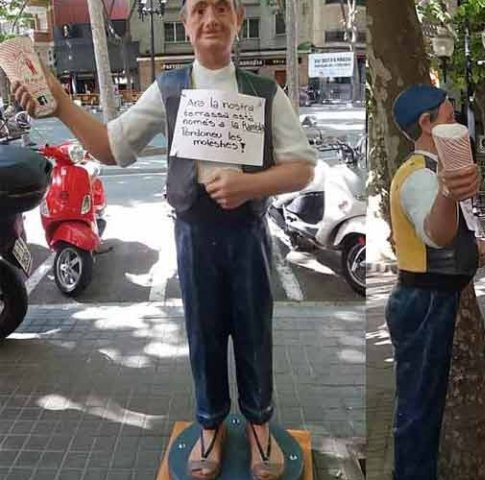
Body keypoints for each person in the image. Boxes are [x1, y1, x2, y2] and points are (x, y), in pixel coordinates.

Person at [13, 1, 317, 478]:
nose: (210, 19)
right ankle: (210, 423)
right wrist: (59, 98)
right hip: (194, 234)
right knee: (204, 333)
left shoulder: (264, 91)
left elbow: (301, 167)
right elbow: (112, 146)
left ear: (238, 19)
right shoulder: (169, 89)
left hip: (247, 236)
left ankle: (260, 422)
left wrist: (249, 185)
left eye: (222, 8)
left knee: (255, 330)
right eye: (199, 9)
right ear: (186, 22)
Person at [390, 84, 485, 480]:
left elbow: (451, 235)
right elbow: (436, 233)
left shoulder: (436, 173)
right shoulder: (419, 177)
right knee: (419, 412)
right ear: (426, 124)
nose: (460, 127)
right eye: (451, 118)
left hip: (435, 298)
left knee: (424, 407)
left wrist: (474, 247)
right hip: (425, 301)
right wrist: (449, 195)